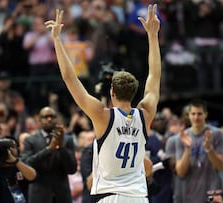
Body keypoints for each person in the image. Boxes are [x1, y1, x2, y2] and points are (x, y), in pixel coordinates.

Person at [45, 3, 161, 203]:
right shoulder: (146, 112)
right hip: (139, 197)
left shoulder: (102, 115)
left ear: (112, 92)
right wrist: (152, 35)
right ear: (134, 93)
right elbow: (154, 76)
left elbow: (69, 78)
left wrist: (57, 39)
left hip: (111, 196)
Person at [21, 106, 77, 203]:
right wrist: (49, 149)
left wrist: (61, 148)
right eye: (45, 117)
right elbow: (27, 164)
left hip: (62, 196)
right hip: (39, 196)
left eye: (52, 116)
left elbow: (72, 169)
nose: (49, 119)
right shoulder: (30, 140)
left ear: (56, 119)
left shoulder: (67, 140)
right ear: (39, 120)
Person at [174, 99, 223, 203]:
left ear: (205, 114)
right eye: (193, 114)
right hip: (189, 194)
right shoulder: (182, 137)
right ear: (188, 115)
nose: (196, 117)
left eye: (199, 114)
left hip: (212, 193)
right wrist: (187, 149)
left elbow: (220, 167)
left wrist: (208, 148)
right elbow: (180, 172)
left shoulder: (217, 134)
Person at [0, 136, 37, 203]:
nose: (7, 151)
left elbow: (33, 177)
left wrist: (15, 161)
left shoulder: (20, 164)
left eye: (11, 147)